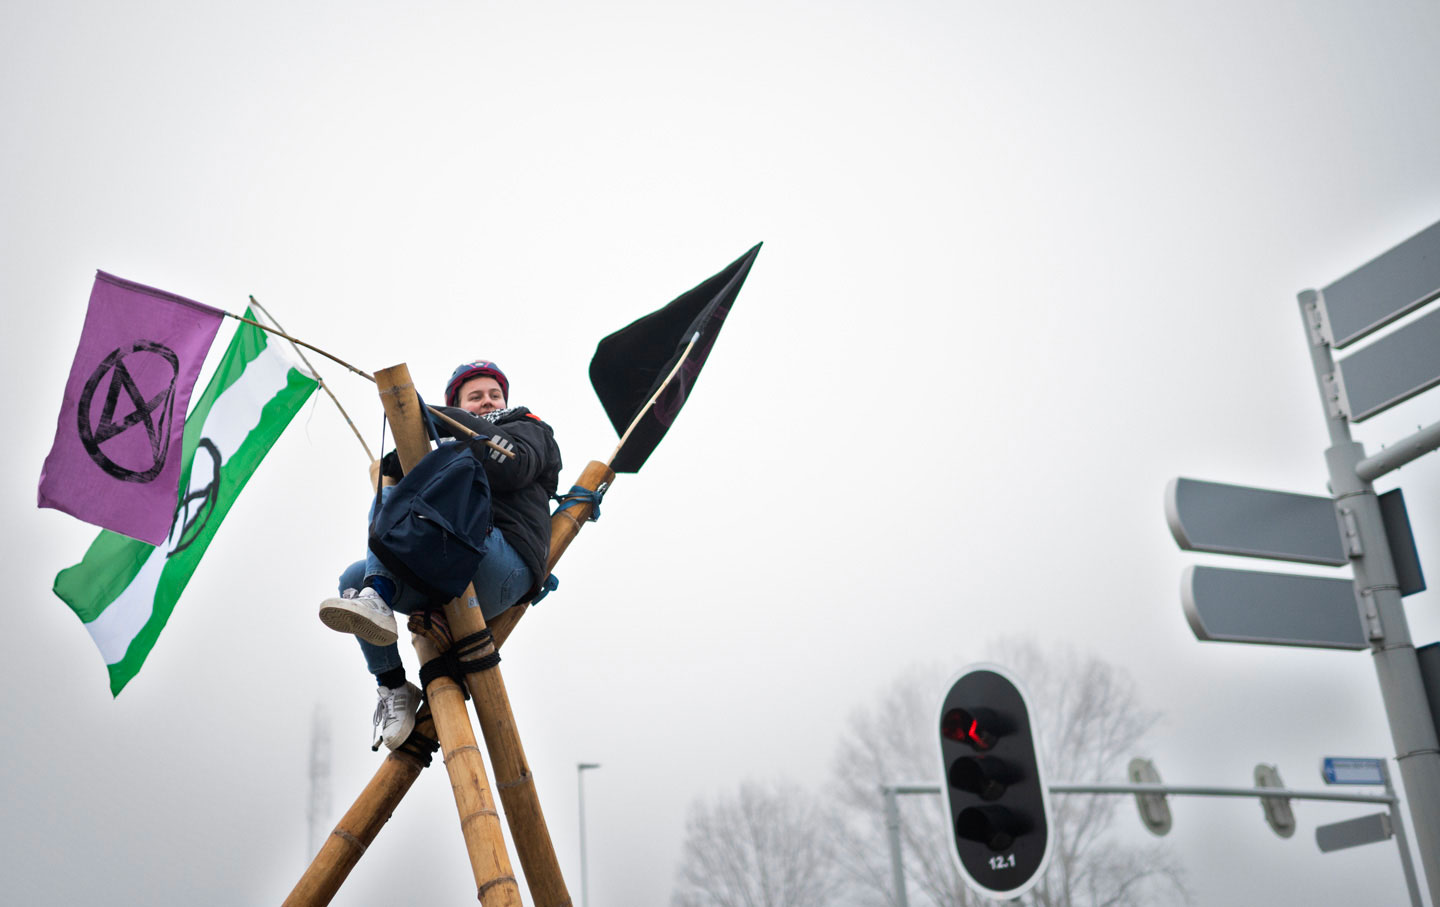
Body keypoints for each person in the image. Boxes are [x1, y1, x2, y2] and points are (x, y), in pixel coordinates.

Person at [318, 360, 562, 749]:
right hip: (450, 568)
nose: (486, 402)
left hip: (502, 564)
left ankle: (380, 593)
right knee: (353, 576)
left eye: (493, 395)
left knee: (426, 494)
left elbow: (513, 467)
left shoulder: (526, 428)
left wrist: (442, 418)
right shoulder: (446, 448)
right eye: (476, 397)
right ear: (462, 403)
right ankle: (393, 686)